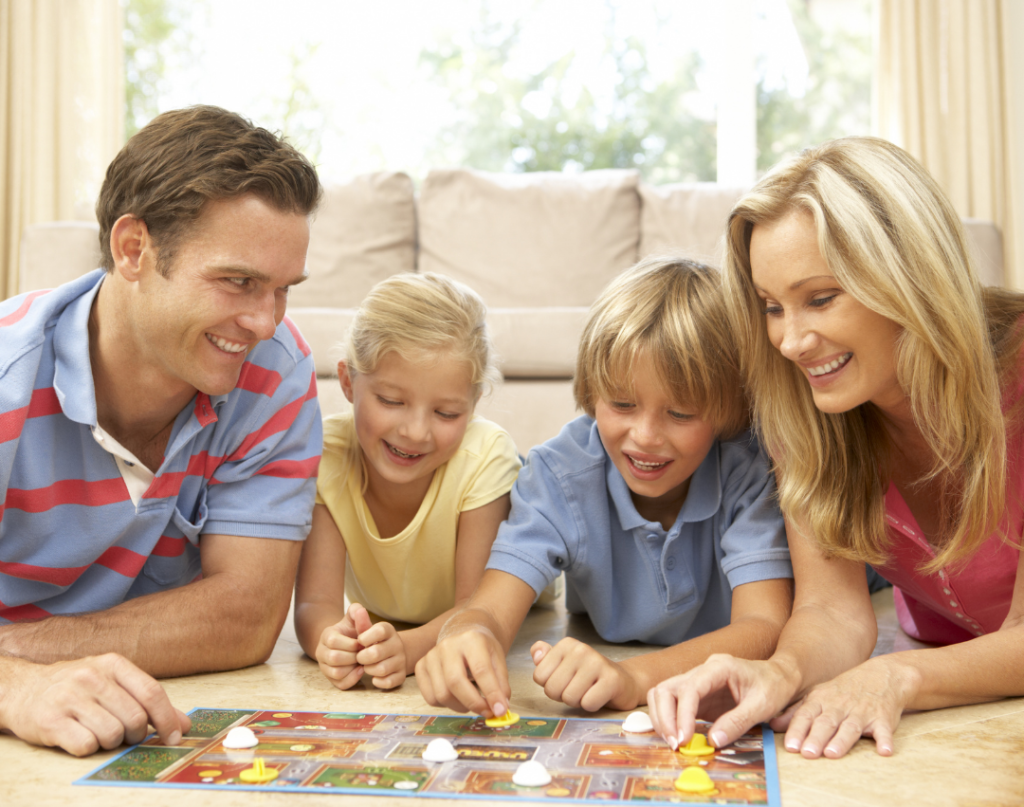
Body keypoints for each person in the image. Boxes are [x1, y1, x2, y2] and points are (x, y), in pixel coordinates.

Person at [646, 136, 1024, 761]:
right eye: (772, 307)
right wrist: (783, 671)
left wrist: (893, 677)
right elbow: (832, 611)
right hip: (960, 673)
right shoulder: (813, 412)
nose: (790, 342)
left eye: (820, 298)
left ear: (910, 276)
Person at [0, 106, 323, 756]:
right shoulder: (8, 372)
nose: (265, 321)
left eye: (284, 288)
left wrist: (16, 649)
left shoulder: (274, 374)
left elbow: (247, 616)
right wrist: (14, 687)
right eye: (238, 282)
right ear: (133, 250)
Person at [416, 257, 794, 718]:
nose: (646, 436)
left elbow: (766, 626)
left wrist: (634, 677)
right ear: (593, 391)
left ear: (730, 409)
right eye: (622, 403)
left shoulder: (753, 471)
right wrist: (466, 635)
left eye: (681, 413)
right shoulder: (558, 475)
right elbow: (490, 610)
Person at [294, 273, 521, 691]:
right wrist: (331, 641)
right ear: (348, 382)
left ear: (473, 405)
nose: (416, 432)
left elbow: (477, 609)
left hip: (511, 623)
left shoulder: (484, 457)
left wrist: (410, 648)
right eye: (391, 401)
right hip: (396, 625)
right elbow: (314, 604)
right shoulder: (326, 455)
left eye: (447, 413)